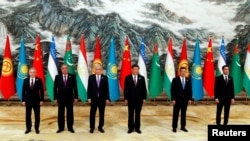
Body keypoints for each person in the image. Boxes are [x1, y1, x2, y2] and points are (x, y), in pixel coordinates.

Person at [54, 64, 78, 133]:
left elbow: (75, 87)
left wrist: (76, 97)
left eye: (66, 68)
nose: (64, 69)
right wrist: (55, 98)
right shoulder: (57, 77)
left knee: (70, 113)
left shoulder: (72, 77)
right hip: (60, 98)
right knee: (61, 113)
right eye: (63, 68)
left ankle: (70, 127)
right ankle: (60, 128)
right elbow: (55, 88)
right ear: (61, 69)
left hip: (70, 98)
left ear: (68, 69)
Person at [124, 64, 147, 134]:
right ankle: (130, 128)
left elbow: (144, 89)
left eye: (137, 69)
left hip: (139, 100)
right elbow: (126, 89)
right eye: (134, 69)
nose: (136, 70)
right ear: (132, 70)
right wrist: (126, 99)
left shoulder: (142, 78)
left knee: (137, 114)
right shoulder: (127, 78)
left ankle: (137, 128)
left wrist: (144, 98)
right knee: (130, 114)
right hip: (130, 99)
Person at [87, 63, 110, 133]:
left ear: (101, 70)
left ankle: (100, 127)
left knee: (101, 114)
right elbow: (89, 89)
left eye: (99, 69)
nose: (98, 70)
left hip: (102, 99)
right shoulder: (91, 77)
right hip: (93, 99)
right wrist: (89, 97)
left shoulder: (105, 78)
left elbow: (107, 89)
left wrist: (107, 98)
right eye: (97, 69)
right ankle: (92, 127)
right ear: (94, 70)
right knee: (92, 113)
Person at [22, 67, 44, 134]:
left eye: (33, 72)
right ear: (29, 73)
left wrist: (41, 100)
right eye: (31, 72)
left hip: (36, 101)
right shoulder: (25, 80)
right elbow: (23, 91)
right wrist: (23, 100)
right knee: (28, 115)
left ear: (35, 73)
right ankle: (28, 128)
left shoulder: (39, 80)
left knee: (37, 115)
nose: (32, 73)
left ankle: (36, 128)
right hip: (28, 101)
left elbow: (42, 91)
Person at [171, 67, 192, 133]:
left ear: (186, 72)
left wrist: (189, 99)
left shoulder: (188, 80)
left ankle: (183, 127)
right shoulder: (175, 80)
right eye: (182, 71)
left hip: (185, 100)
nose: (183, 73)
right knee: (176, 114)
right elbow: (172, 90)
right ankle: (174, 127)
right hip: (177, 100)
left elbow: (189, 90)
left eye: (184, 71)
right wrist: (173, 99)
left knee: (183, 114)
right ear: (179, 72)